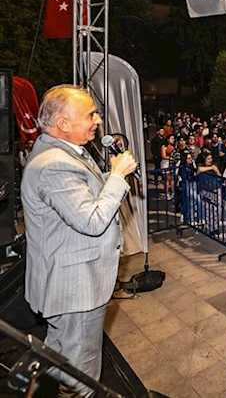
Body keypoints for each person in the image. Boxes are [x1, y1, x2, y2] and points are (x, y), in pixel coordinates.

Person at [21, 85, 137, 397]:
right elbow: (92, 221)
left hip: (70, 281)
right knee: (82, 375)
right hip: (76, 288)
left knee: (60, 356)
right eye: (90, 114)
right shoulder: (54, 164)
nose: (98, 120)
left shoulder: (60, 152)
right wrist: (117, 176)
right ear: (64, 123)